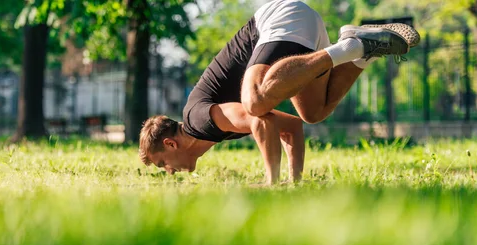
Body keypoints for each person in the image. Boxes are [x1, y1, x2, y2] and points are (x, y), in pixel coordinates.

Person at [139, 0, 420, 184]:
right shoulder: (212, 132)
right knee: (312, 113)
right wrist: (292, 182)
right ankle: (360, 51)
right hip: (296, 34)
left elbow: (258, 120)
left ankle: (351, 48)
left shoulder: (197, 121)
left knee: (255, 102)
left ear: (170, 145)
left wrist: (271, 183)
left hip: (279, 19)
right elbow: (291, 128)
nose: (169, 171)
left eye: (162, 164)